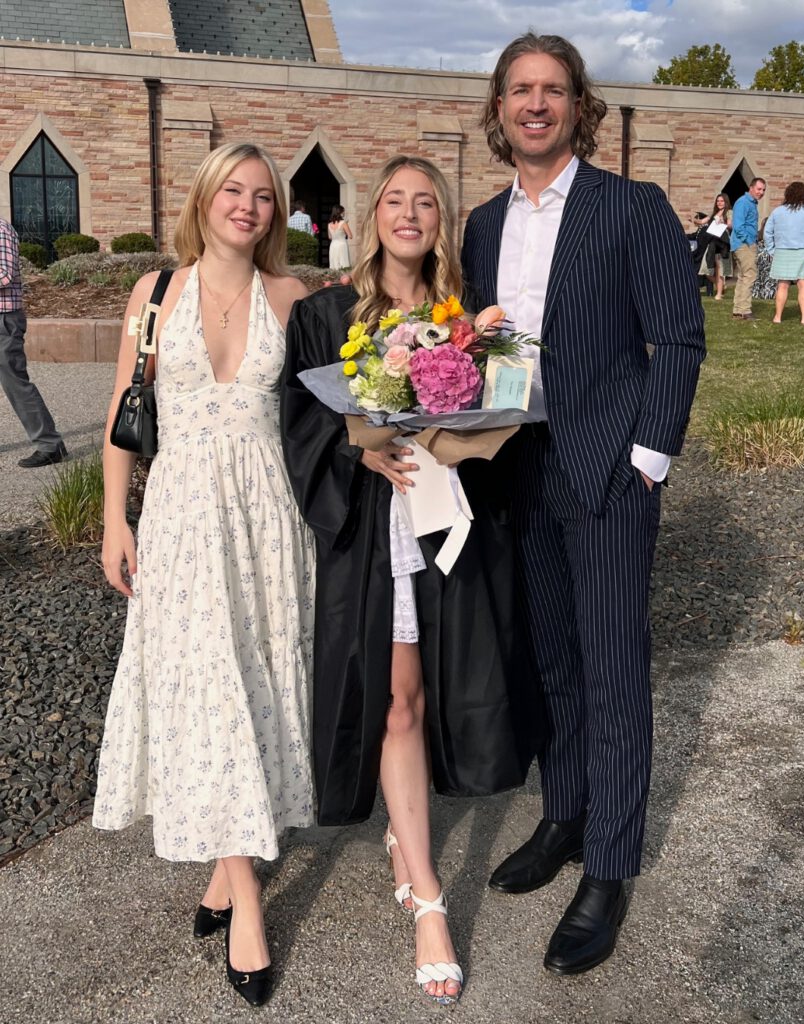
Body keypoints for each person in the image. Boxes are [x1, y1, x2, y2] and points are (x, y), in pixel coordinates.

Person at [462, 33, 705, 976]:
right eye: (518, 90)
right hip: (516, 469)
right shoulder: (483, 225)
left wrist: (647, 461)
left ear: (577, 107)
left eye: (551, 90)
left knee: (612, 672)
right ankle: (564, 814)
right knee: (550, 661)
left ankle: (608, 863)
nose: (534, 105)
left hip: (607, 472)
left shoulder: (628, 207)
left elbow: (677, 341)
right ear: (499, 108)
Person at [281, 154, 537, 1005]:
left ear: (442, 222)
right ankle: (427, 896)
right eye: (395, 198)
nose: (409, 213)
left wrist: (454, 435)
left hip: (445, 524)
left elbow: (493, 421)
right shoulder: (324, 316)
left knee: (432, 696)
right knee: (395, 701)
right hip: (371, 529)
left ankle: (404, 834)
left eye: (426, 202)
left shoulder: (461, 324)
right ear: (370, 211)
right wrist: (363, 447)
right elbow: (303, 425)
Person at [93, 142, 315, 1008]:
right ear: (204, 196)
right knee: (207, 688)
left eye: (264, 196)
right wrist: (116, 518)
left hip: (268, 523)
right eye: (234, 190)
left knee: (254, 684)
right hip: (183, 519)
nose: (248, 206)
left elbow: (325, 418)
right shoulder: (154, 294)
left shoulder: (293, 299)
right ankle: (248, 897)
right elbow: (123, 414)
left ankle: (225, 873)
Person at [0, 216, 68, 468]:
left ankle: (50, 445)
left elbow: (5, 275)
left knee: (14, 382)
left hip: (3, 318)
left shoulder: (1, 229)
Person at [763, 181, 804, 325]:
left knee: (782, 285)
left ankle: (777, 317)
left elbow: (767, 232)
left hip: (782, 251)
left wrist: (771, 250)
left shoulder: (777, 211)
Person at [731, 177, 767, 320]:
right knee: (750, 275)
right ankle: (745, 311)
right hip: (744, 244)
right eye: (759, 189)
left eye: (763, 190)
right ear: (751, 188)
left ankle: (738, 311)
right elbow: (738, 226)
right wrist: (749, 241)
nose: (761, 192)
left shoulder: (751, 203)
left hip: (744, 243)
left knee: (742, 277)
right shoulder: (743, 202)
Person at [706, 192, 733, 300]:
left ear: (726, 202)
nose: (719, 203)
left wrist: (723, 222)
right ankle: (721, 286)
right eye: (718, 201)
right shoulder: (714, 213)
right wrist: (694, 220)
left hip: (723, 243)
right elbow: (704, 220)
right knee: (706, 270)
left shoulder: (729, 212)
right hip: (713, 243)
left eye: (721, 201)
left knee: (721, 269)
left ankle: (719, 294)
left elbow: (730, 225)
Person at [327, 204, 352, 270]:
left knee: (334, 265)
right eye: (343, 211)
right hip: (342, 244)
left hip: (333, 245)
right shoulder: (343, 223)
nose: (344, 213)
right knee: (343, 264)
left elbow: (330, 237)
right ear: (340, 212)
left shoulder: (329, 224)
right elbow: (350, 236)